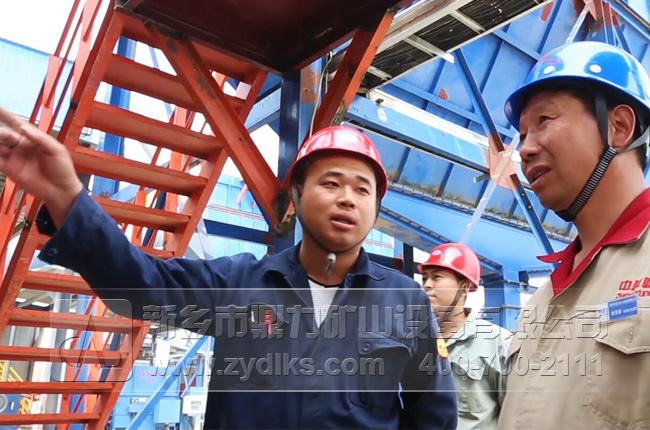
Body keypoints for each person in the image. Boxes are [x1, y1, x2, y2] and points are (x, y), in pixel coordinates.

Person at [0, 117, 457, 429]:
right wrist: (67, 196)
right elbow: (142, 286)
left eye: (363, 189)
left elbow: (433, 412)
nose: (347, 199)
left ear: (375, 208)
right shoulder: (241, 284)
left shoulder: (405, 301)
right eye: (331, 182)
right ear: (297, 196)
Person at [497, 41, 650, 429]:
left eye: (544, 120)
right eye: (522, 134)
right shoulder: (542, 300)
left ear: (619, 127)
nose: (524, 149)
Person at [420, 243, 510, 429]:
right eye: (425, 278)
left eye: (437, 277)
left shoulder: (498, 343)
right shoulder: (416, 341)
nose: (427, 284)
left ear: (465, 287)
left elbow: (516, 414)